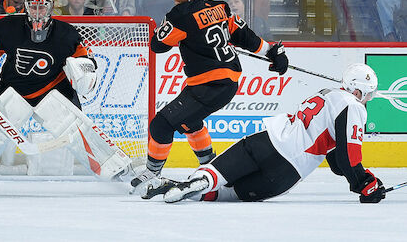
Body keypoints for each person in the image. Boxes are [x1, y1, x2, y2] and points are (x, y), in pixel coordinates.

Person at [129, 0, 289, 194]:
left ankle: (152, 174)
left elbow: (158, 46)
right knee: (190, 123)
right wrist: (272, 52)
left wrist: (168, 28)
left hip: (209, 84)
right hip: (224, 82)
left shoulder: (179, 15)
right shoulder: (220, 7)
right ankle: (212, 168)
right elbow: (244, 36)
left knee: (161, 125)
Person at [159, 63, 386, 205]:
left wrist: (362, 179)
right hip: (287, 171)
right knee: (229, 195)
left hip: (267, 141)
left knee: (215, 173)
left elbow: (338, 162)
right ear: (358, 91)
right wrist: (365, 183)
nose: (367, 100)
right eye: (368, 95)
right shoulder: (353, 106)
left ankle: (196, 182)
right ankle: (203, 192)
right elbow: (348, 158)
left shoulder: (327, 94)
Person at [0, 0, 95, 108]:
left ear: (50, 8)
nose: (37, 12)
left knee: (74, 130)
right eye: (34, 7)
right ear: (27, 7)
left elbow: (86, 59)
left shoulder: (66, 32)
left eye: (42, 8)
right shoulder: (8, 27)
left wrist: (85, 75)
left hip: (54, 89)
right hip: (13, 89)